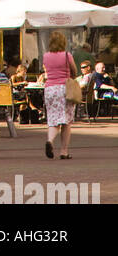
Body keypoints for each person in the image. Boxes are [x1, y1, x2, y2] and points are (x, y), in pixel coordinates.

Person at [42, 30, 77, 160]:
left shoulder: (46, 56)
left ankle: (50, 140)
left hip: (50, 89)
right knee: (66, 120)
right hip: (64, 89)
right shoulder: (67, 55)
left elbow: (46, 70)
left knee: (53, 118)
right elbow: (74, 70)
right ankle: (64, 151)